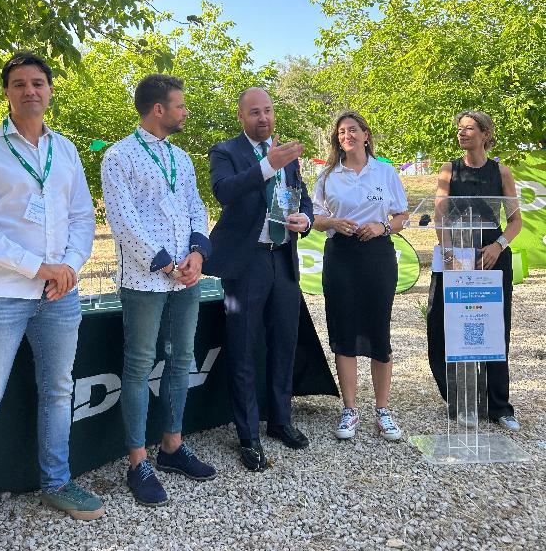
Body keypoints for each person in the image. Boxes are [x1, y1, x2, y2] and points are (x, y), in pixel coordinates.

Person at [0, 52, 101, 551]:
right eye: (19, 83)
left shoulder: (66, 150)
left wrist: (69, 267)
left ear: (50, 90)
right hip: (1, 295)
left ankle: (56, 483)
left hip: (59, 294)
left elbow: (82, 217)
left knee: (58, 390)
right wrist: (39, 268)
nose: (30, 90)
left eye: (38, 82)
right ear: (7, 93)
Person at [101, 74, 215, 507]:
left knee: (182, 358)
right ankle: (138, 462)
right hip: (145, 279)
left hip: (186, 276)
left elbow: (195, 207)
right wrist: (166, 263)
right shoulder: (118, 156)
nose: (186, 112)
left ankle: (172, 446)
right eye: (180, 105)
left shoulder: (181, 158)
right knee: (138, 364)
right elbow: (123, 221)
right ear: (159, 109)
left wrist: (197, 255)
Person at [204, 87, 314, 472]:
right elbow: (224, 191)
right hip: (246, 262)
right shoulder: (225, 152)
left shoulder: (286, 153)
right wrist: (267, 165)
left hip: (282, 258)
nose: (263, 118)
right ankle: (248, 434)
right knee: (244, 346)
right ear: (241, 116)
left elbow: (301, 197)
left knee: (285, 342)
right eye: (254, 112)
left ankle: (280, 420)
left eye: (267, 110)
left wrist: (306, 218)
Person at [312, 111, 409, 442]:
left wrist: (382, 227)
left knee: (379, 330)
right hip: (341, 256)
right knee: (344, 331)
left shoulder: (385, 171)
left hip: (377, 256)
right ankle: (350, 409)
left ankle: (383, 410)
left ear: (366, 135)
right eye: (341, 132)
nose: (347, 136)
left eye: (352, 130)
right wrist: (333, 222)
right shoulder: (328, 175)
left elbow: (402, 215)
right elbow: (315, 217)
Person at [426, 110, 522, 430]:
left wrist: (498, 246)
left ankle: (499, 406)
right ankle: (462, 400)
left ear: (485, 134)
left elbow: (515, 221)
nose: (462, 133)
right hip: (456, 255)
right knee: (451, 328)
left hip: (491, 256)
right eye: (459, 128)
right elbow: (440, 216)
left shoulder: (502, 172)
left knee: (494, 328)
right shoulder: (448, 170)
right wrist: (450, 254)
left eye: (469, 128)